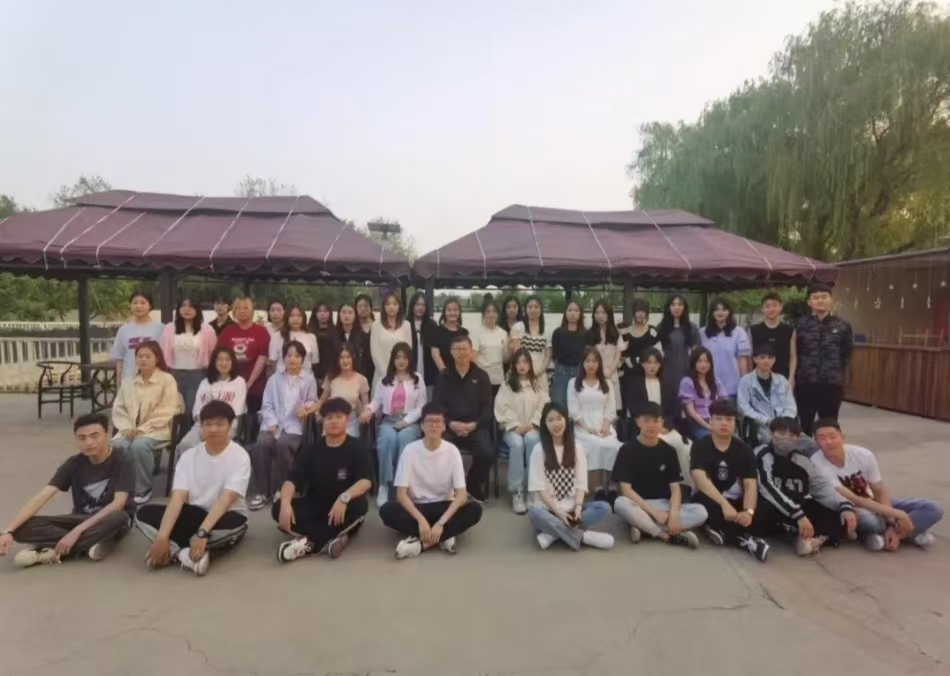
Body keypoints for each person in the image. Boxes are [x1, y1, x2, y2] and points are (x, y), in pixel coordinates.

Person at [0, 413, 135, 568]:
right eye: (82, 438)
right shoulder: (73, 463)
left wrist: (76, 531)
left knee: (119, 516)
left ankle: (53, 550)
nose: (89, 442)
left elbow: (118, 504)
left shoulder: (122, 459)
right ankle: (87, 545)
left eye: (94, 436)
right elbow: (44, 494)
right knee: (21, 527)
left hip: (109, 520)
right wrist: (8, 531)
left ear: (106, 434)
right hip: (80, 518)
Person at [135, 400, 251, 577]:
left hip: (225, 516)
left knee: (234, 526)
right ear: (201, 428)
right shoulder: (189, 456)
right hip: (194, 513)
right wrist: (162, 537)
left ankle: (177, 548)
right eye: (208, 424)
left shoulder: (240, 456)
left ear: (230, 427)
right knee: (142, 514)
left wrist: (202, 533)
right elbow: (178, 498)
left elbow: (227, 499)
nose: (213, 429)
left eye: (219, 424)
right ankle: (183, 553)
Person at [811, 419, 943, 552]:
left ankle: (892, 536)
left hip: (874, 500)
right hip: (853, 508)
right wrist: (899, 515)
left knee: (933, 508)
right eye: (822, 438)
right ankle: (911, 533)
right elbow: (856, 500)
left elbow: (879, 490)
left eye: (832, 436)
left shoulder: (863, 454)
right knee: (871, 522)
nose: (829, 442)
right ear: (816, 442)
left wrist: (891, 522)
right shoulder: (817, 464)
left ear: (842, 437)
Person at [378, 403, 484, 559]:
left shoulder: (452, 451)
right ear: (422, 426)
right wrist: (421, 520)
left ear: (444, 426)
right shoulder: (409, 450)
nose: (434, 425)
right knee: (386, 510)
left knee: (475, 509)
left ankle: (420, 544)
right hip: (417, 507)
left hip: (443, 506)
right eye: (429, 421)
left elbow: (461, 495)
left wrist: (441, 523)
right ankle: (445, 536)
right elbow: (401, 494)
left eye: (438, 421)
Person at [273, 398, 372, 562]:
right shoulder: (311, 449)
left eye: (339, 417)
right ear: (323, 421)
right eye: (329, 418)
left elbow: (366, 481)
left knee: (360, 506)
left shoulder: (357, 447)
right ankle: (335, 537)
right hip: (315, 505)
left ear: (347, 420)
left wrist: (343, 498)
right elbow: (292, 480)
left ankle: (309, 543)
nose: (334, 421)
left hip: (344, 505)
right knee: (277, 508)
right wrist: (285, 504)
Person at [754, 417, 858, 556]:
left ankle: (811, 539)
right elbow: (767, 488)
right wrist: (798, 515)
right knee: (767, 512)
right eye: (782, 433)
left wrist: (844, 505)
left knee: (838, 515)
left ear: (798, 438)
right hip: (773, 504)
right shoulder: (762, 455)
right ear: (771, 434)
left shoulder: (801, 459)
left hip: (798, 503)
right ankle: (804, 536)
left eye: (792, 435)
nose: (787, 438)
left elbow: (820, 485)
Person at [612, 402, 707, 548]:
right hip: (638, 504)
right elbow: (626, 490)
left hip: (664, 505)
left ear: (662, 422)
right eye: (646, 420)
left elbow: (675, 488)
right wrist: (654, 513)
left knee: (701, 512)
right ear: (638, 422)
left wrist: (674, 513)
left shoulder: (669, 451)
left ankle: (643, 527)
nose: (651, 425)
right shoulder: (627, 450)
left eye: (655, 421)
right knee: (620, 503)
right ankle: (665, 535)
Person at [689, 400, 770, 562]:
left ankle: (718, 529)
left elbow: (750, 484)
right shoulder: (700, 446)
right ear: (710, 421)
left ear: (735, 424)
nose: (724, 423)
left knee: (763, 510)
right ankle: (746, 540)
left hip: (734, 498)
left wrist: (748, 511)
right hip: (709, 496)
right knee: (705, 507)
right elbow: (700, 480)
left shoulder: (744, 449)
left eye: (729, 419)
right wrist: (724, 505)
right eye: (719, 418)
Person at [527, 402, 614, 551]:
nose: (556, 424)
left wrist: (578, 509)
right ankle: (582, 536)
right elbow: (539, 488)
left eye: (559, 418)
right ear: (545, 424)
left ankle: (553, 534)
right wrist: (559, 513)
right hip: (549, 510)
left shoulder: (576, 447)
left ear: (566, 420)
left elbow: (581, 483)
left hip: (572, 509)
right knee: (534, 513)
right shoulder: (538, 449)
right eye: (550, 420)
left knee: (604, 507)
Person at [248, 341, 318, 511]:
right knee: (262, 444)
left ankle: (283, 490)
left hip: (295, 425)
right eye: (289, 355)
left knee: (284, 444)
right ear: (283, 358)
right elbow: (266, 404)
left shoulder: (308, 379)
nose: (292, 359)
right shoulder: (274, 379)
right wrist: (271, 422)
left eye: (297, 356)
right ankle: (262, 492)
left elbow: (312, 400)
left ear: (302, 359)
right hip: (272, 424)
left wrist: (306, 407)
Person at [111, 341, 181, 504]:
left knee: (139, 446)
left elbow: (168, 409)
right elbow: (119, 408)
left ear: (157, 358)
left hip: (156, 429)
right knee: (117, 446)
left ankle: (143, 489)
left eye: (148, 356)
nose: (143, 359)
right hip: (130, 430)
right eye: (140, 356)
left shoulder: (167, 380)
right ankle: (122, 487)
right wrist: (126, 427)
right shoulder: (129, 382)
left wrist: (143, 429)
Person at [360, 342, 425, 506]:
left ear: (410, 360)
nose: (401, 361)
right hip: (389, 420)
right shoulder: (384, 380)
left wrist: (406, 421)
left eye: (405, 357)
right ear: (393, 360)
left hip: (410, 421)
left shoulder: (417, 379)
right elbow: (376, 401)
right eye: (398, 357)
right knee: (387, 441)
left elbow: (421, 406)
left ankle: (404, 487)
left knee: (403, 440)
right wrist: (368, 410)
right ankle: (384, 486)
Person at [433, 334, 495, 503]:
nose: (461, 352)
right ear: (451, 352)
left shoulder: (481, 376)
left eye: (464, 349)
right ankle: (450, 488)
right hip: (450, 427)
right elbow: (437, 405)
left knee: (487, 452)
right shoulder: (443, 376)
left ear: (471, 352)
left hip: (475, 427)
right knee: (438, 449)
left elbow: (487, 409)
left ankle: (472, 485)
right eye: (457, 349)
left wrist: (473, 425)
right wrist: (450, 423)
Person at [625, 348, 693, 488]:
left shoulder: (667, 384)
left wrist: (665, 426)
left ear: (660, 365)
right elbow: (634, 410)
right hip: (643, 428)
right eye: (648, 362)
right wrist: (652, 426)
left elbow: (674, 411)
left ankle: (686, 485)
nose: (652, 366)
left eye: (656, 363)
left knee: (683, 446)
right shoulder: (634, 384)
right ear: (642, 364)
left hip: (665, 427)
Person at [494, 348, 549, 514]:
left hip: (533, 427)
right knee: (517, 444)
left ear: (530, 364)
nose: (521, 365)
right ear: (513, 365)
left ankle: (533, 489)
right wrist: (516, 425)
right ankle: (517, 491)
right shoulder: (506, 385)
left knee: (532, 440)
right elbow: (501, 407)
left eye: (525, 362)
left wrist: (533, 424)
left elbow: (544, 405)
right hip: (512, 429)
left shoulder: (537, 384)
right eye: (518, 362)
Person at [795, 284, 854, 436]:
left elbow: (846, 354)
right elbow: (796, 353)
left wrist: (841, 379)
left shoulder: (843, 326)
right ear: (809, 302)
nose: (820, 300)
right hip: (806, 383)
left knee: (829, 425)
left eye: (824, 297)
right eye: (815, 297)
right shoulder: (800, 325)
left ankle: (827, 450)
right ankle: (806, 451)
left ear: (831, 300)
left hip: (832, 384)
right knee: (804, 425)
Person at [175, 346, 247, 457]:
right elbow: (197, 411)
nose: (224, 363)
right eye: (220, 359)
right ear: (214, 362)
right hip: (202, 424)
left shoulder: (239, 382)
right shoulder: (205, 382)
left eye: (227, 360)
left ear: (233, 362)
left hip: (227, 425)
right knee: (185, 445)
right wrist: (206, 427)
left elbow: (237, 411)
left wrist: (214, 427)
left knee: (211, 446)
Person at [567, 347, 622, 492]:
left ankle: (612, 487)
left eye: (594, 361)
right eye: (588, 361)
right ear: (582, 363)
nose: (591, 364)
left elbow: (610, 409)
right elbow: (574, 410)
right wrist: (588, 429)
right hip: (583, 426)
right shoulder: (573, 383)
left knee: (613, 447)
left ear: (599, 363)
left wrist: (605, 426)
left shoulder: (607, 383)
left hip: (603, 425)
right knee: (594, 445)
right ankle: (596, 488)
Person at [217, 296, 271, 439]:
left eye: (246, 308)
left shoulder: (261, 331)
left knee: (251, 422)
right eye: (238, 308)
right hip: (231, 384)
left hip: (255, 385)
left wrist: (250, 382)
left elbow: (263, 356)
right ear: (233, 311)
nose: (242, 311)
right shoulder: (227, 332)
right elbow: (220, 356)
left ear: (252, 311)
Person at [160, 296, 217, 413]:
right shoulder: (169, 328)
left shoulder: (207, 329)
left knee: (193, 408)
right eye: (184, 306)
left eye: (191, 306)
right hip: (173, 374)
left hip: (198, 374)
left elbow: (214, 353)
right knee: (175, 408)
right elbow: (162, 351)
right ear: (178, 309)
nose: (187, 309)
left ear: (197, 310)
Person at [737, 343, 797, 444]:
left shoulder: (782, 380)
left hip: (784, 426)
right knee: (773, 440)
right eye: (762, 357)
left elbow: (791, 406)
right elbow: (744, 408)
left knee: (805, 442)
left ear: (774, 360)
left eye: (770, 358)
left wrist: (783, 421)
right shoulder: (746, 381)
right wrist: (767, 420)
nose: (766, 361)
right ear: (755, 359)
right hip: (759, 426)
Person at [700, 298, 751, 404]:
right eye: (717, 309)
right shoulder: (702, 333)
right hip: (708, 387)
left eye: (723, 309)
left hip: (732, 388)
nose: (720, 312)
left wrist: (745, 385)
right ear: (712, 313)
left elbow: (742, 361)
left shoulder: (739, 332)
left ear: (729, 312)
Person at [656, 294, 700, 411]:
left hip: (686, 372)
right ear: (668, 308)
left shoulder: (692, 328)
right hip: (666, 374)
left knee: (687, 408)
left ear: (684, 307)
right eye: (673, 305)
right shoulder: (661, 328)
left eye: (679, 305)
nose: (676, 308)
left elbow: (696, 353)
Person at [315, 346, 370, 437]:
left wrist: (364, 413)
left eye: (348, 357)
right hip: (332, 420)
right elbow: (321, 401)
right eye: (342, 358)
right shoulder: (331, 378)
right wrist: (314, 412)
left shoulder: (361, 379)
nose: (345, 361)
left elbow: (366, 405)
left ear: (353, 359)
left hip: (351, 421)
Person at [110, 290, 164, 383]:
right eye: (135, 303)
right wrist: (119, 385)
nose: (138, 306)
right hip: (129, 381)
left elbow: (164, 358)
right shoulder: (123, 330)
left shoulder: (161, 328)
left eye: (143, 303)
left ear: (150, 306)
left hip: (154, 382)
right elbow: (120, 360)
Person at [620, 298, 659, 414]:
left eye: (643, 311)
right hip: (628, 375)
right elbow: (621, 353)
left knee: (646, 405)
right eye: (637, 311)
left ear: (647, 314)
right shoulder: (625, 331)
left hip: (647, 374)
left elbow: (657, 353)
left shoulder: (652, 331)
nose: (640, 314)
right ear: (633, 313)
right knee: (628, 405)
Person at [586, 301, 626, 413]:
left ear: (609, 314)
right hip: (593, 374)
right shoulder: (589, 333)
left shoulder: (615, 333)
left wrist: (610, 370)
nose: (600, 316)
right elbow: (587, 356)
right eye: (597, 313)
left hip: (611, 373)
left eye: (603, 313)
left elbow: (618, 353)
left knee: (611, 408)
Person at [369, 292, 413, 394]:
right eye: (388, 304)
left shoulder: (406, 325)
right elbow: (375, 351)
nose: (391, 307)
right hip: (381, 374)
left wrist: (399, 373)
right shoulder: (376, 325)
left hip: (402, 374)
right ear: (383, 306)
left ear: (399, 306)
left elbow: (408, 350)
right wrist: (386, 374)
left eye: (395, 304)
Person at [679, 347, 726, 440]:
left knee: (735, 441)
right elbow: (691, 412)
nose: (703, 364)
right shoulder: (687, 382)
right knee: (713, 439)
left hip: (715, 421)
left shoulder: (716, 382)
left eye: (707, 361)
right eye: (700, 361)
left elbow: (724, 405)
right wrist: (710, 428)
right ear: (693, 362)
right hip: (697, 424)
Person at [749, 292, 796, 380]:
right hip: (759, 378)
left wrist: (791, 377)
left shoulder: (789, 330)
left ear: (781, 307)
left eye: (774, 306)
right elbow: (750, 356)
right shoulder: (753, 330)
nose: (771, 309)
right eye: (767, 306)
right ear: (762, 309)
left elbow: (793, 356)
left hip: (783, 378)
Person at [549, 300, 587, 407]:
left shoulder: (586, 333)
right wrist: (558, 368)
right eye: (570, 310)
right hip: (561, 372)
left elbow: (587, 354)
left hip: (579, 372)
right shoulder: (558, 332)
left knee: (577, 403)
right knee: (558, 403)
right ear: (565, 313)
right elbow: (554, 354)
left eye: (576, 310)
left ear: (580, 313)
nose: (573, 313)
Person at [471, 298, 509, 399]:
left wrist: (511, 348)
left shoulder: (503, 333)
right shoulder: (476, 332)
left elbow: (505, 359)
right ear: (483, 314)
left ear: (498, 314)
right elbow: (473, 358)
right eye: (488, 311)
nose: (491, 314)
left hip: (499, 379)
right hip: (482, 380)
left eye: (494, 311)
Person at [407, 291, 439, 401]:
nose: (420, 308)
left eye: (423, 305)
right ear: (412, 306)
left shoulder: (432, 324)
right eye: (418, 304)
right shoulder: (406, 323)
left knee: (428, 401)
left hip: (428, 370)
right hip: (410, 368)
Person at [269, 304, 319, 374]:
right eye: (292, 316)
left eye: (299, 316)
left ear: (304, 318)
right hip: (282, 377)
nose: (295, 319)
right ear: (287, 317)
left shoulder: (311, 337)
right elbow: (273, 360)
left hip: (305, 377)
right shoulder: (278, 336)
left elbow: (314, 361)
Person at [430, 296, 469, 375]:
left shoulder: (464, 333)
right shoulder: (436, 331)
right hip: (442, 375)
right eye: (449, 310)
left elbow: (466, 355)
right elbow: (435, 355)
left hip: (461, 375)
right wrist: (445, 373)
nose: (452, 313)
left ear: (459, 312)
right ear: (444, 312)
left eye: (455, 310)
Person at [520, 296, 550, 393]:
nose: (533, 310)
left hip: (540, 373)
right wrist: (524, 370)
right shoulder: (519, 327)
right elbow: (516, 353)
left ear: (541, 310)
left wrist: (538, 373)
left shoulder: (546, 330)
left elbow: (548, 356)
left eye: (536, 307)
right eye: (530, 307)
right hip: (522, 372)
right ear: (525, 309)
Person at [336, 302, 373, 382]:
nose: (347, 316)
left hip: (359, 378)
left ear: (355, 315)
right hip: (337, 377)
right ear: (339, 315)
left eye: (350, 313)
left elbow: (367, 361)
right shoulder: (332, 335)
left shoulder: (363, 336)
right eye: (344, 312)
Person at [307, 302, 341, 386]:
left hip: (331, 375)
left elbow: (337, 354)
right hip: (310, 374)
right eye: (319, 311)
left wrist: (330, 374)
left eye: (325, 311)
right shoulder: (308, 332)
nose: (322, 314)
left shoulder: (336, 331)